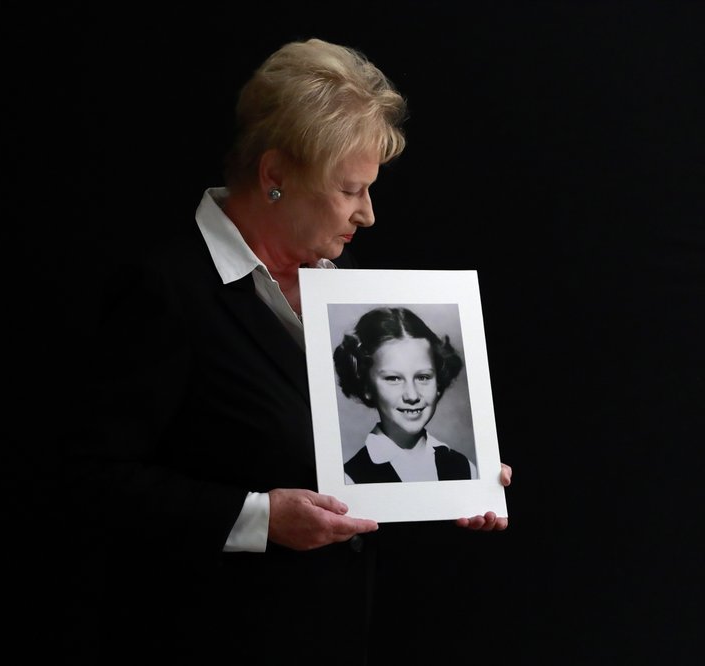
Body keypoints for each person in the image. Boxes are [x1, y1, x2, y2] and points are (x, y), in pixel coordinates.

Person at [71, 37, 512, 665]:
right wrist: (259, 518)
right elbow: (91, 480)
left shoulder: (343, 279)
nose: (368, 214)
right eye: (350, 189)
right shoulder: (167, 290)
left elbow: (348, 456)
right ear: (275, 175)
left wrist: (455, 481)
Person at [334, 306, 477, 483]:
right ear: (367, 387)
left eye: (423, 377)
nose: (412, 395)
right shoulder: (349, 479)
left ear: (438, 382)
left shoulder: (465, 468)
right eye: (393, 378)